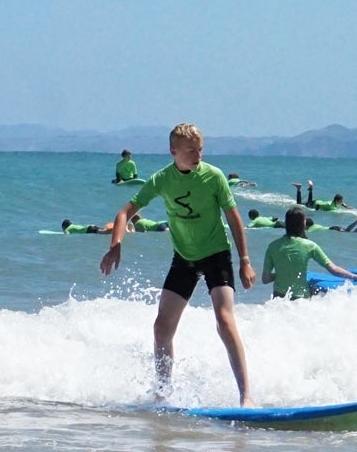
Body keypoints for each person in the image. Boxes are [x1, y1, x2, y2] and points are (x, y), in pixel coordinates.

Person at [98, 123, 258, 405]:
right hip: (184, 257)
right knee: (161, 327)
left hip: (216, 254)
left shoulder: (214, 177)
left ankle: (246, 396)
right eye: (191, 150)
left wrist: (245, 260)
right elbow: (125, 212)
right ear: (173, 152)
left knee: (223, 319)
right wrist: (115, 245)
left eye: (200, 150)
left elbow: (233, 218)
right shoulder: (162, 180)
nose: (198, 155)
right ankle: (163, 395)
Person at [262, 208, 357, 299]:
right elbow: (333, 270)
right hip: (300, 300)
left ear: (286, 223)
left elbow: (265, 279)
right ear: (303, 224)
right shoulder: (310, 245)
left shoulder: (272, 246)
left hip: (278, 299)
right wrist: (354, 276)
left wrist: (282, 273)